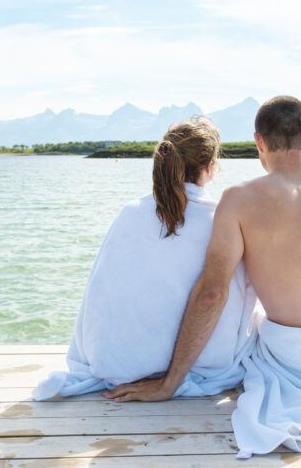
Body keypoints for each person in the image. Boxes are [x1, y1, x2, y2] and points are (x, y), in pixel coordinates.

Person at [105, 96, 301, 458]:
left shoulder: (238, 201)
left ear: (259, 142)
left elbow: (212, 294)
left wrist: (169, 382)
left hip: (294, 364)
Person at [35, 117, 257, 400]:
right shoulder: (221, 219)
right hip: (201, 363)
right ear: (210, 168)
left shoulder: (131, 213)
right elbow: (218, 295)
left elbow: (99, 293)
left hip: (119, 363)